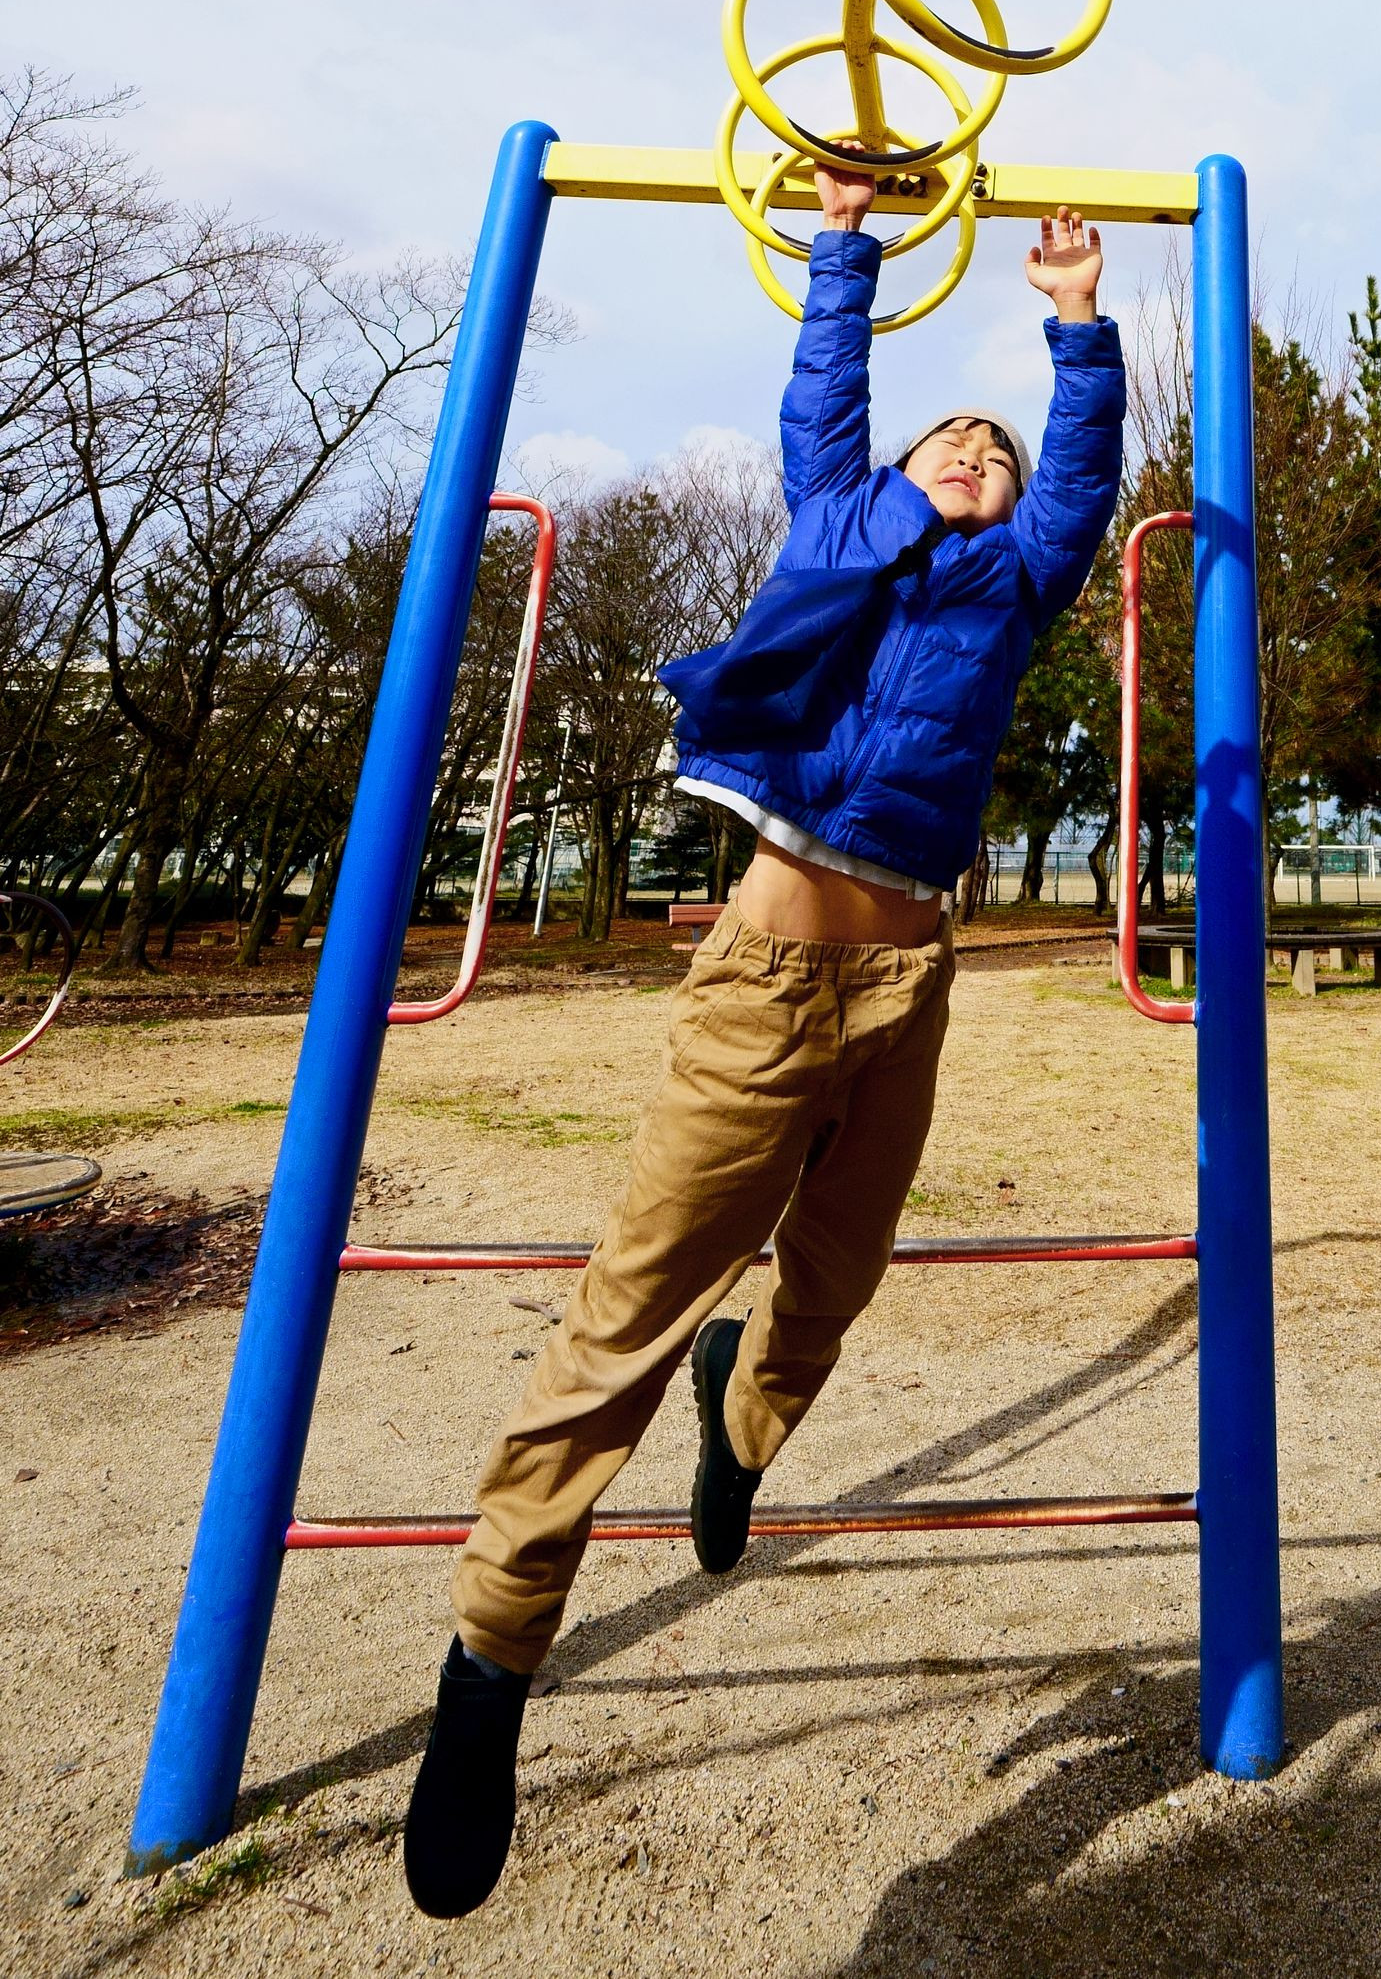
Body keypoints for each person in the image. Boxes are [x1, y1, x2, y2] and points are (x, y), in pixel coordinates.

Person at [403, 158, 1124, 1919]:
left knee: (841, 1274)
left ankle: (748, 1426)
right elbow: (827, 398)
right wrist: (845, 244)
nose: (978, 453)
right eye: (953, 439)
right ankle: (492, 1661)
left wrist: (1073, 326)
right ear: (890, 472)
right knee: (631, 1314)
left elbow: (1080, 478)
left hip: (912, 982)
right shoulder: (834, 521)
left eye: (996, 450)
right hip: (769, 981)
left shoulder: (1019, 582)